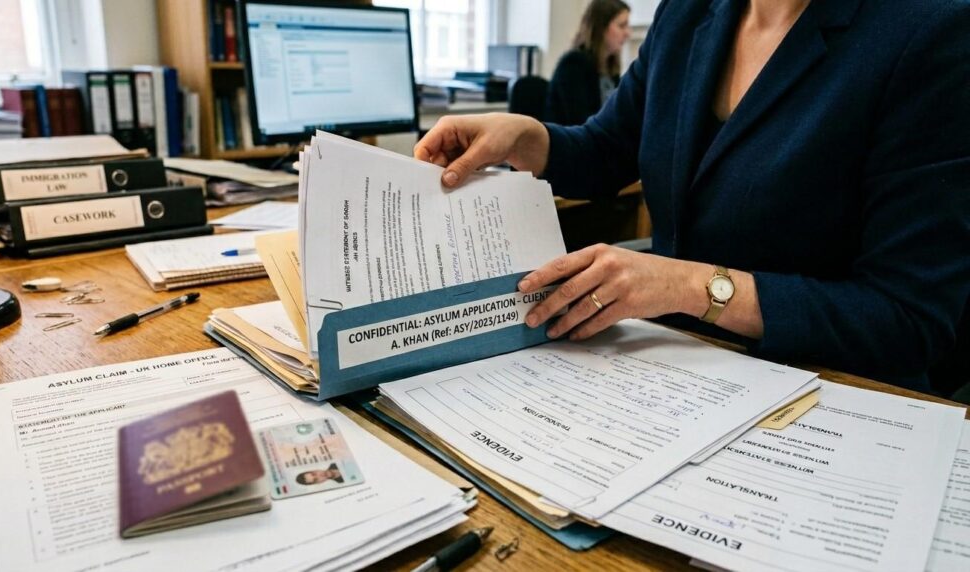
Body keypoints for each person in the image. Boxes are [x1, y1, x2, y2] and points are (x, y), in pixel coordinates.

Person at [415, 0, 970, 394]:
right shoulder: (688, 13)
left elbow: (908, 318)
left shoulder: (931, 27)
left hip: (830, 396)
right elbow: (609, 147)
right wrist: (531, 138)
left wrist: (689, 285)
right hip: (677, 374)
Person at [547, 0, 631, 126]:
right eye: (621, 25)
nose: (627, 33)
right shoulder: (573, 64)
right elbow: (580, 122)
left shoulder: (610, 68)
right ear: (601, 27)